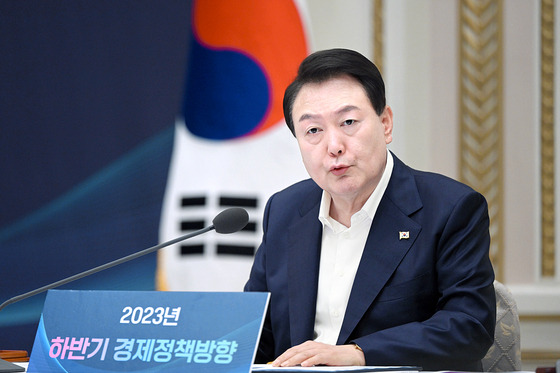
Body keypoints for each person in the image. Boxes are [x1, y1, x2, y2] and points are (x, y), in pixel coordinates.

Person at [244, 48, 496, 371]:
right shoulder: (284, 211)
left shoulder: (450, 209)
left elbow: (469, 326)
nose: (333, 146)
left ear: (385, 123)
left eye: (348, 122)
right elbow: (256, 336)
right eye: (313, 131)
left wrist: (358, 353)